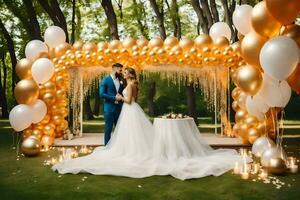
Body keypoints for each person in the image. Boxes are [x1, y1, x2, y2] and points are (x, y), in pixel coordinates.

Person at [52, 67, 248, 180]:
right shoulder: (134, 84)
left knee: (129, 134)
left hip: (128, 109)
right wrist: (122, 96)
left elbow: (129, 101)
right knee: (133, 134)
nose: (124, 74)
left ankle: (129, 151)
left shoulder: (128, 85)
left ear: (129, 75)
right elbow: (133, 99)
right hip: (132, 111)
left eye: (126, 72)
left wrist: (120, 97)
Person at [99, 63, 125, 145]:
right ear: (114, 68)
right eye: (120, 70)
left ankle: (118, 147)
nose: (121, 72)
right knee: (108, 129)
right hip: (109, 109)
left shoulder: (121, 80)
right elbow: (101, 94)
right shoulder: (106, 80)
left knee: (119, 129)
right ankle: (107, 146)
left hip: (119, 108)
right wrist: (114, 98)